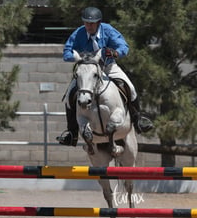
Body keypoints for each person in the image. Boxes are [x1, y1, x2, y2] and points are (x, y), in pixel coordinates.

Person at [57, 7, 153, 146]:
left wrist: (115, 53)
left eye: (92, 23)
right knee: (69, 97)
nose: (89, 26)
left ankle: (138, 120)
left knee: (130, 87)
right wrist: (75, 56)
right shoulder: (79, 33)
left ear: (99, 22)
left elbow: (124, 47)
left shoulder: (108, 30)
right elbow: (66, 51)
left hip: (108, 67)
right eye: (86, 23)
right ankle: (71, 133)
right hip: (87, 70)